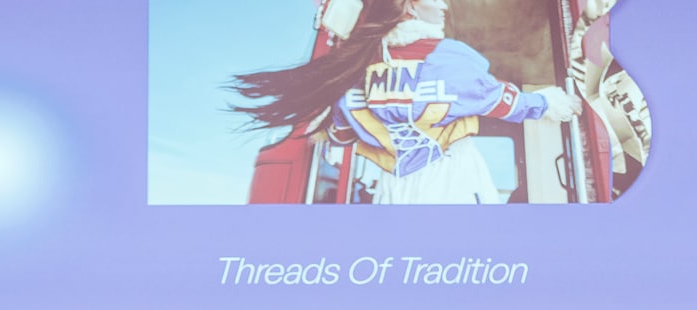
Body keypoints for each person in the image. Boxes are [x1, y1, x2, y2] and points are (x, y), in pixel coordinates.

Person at [232, 0, 580, 204]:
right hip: (452, 185)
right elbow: (499, 102)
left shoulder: (355, 74)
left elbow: (341, 134)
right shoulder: (451, 58)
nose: (444, 5)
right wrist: (546, 102)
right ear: (411, 6)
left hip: (393, 190)